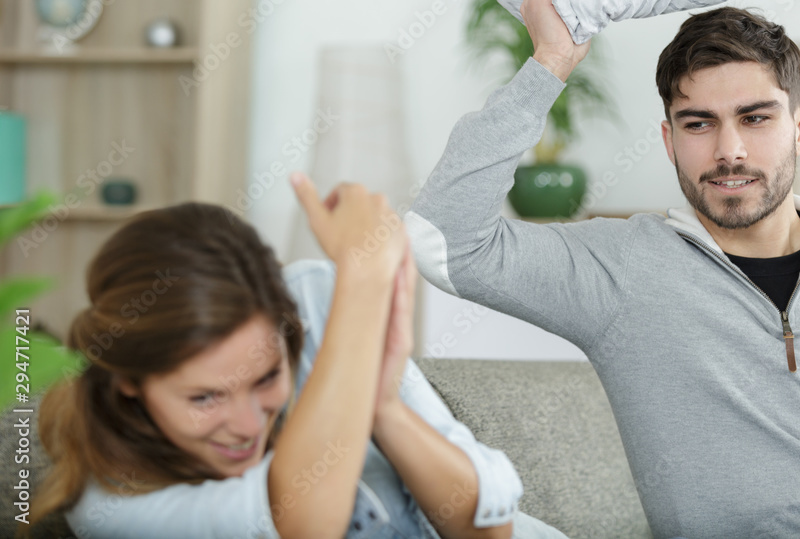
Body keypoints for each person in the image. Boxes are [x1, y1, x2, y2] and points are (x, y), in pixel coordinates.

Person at [404, 0, 800, 538]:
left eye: (756, 118)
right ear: (669, 140)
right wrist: (550, 63)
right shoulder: (622, 269)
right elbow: (444, 239)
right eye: (698, 124)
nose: (730, 150)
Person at [31, 174, 567, 538]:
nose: (245, 425)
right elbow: (301, 521)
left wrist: (381, 407)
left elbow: (491, 528)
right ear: (129, 381)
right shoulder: (106, 501)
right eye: (204, 396)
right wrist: (366, 279)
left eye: (265, 378)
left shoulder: (317, 303)